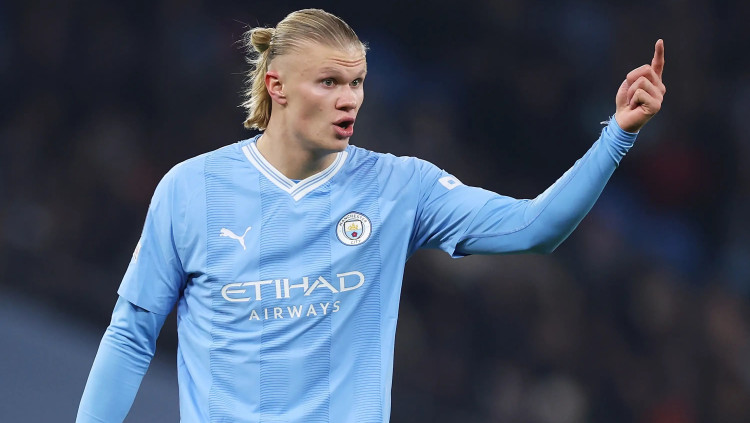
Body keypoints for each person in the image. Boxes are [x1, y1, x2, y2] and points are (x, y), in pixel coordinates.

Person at [77, 8, 666, 423]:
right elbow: (130, 336)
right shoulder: (191, 190)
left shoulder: (399, 186)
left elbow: (535, 229)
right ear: (277, 86)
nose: (349, 99)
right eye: (329, 82)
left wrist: (617, 135)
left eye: (356, 82)